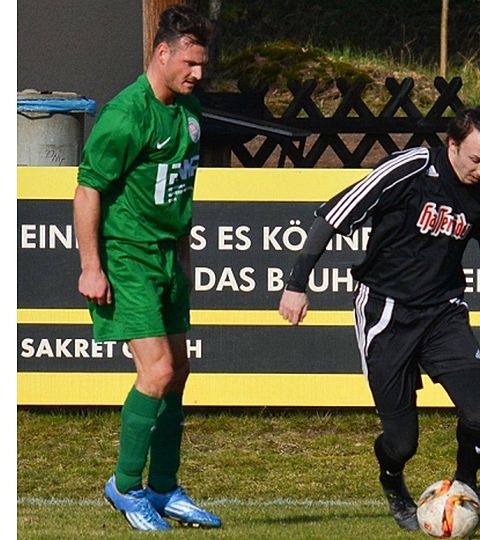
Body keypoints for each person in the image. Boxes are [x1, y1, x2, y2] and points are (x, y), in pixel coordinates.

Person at [279, 106, 480, 531]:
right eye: (475, 159)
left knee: (479, 415)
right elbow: (331, 215)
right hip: (385, 309)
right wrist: (296, 283)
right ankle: (392, 481)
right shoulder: (410, 168)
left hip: (443, 313)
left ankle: (466, 487)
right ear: (452, 145)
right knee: (402, 442)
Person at [73, 4, 220, 532]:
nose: (198, 74)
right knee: (155, 372)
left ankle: (164, 489)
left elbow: (178, 196)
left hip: (166, 258)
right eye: (191, 64)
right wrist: (92, 266)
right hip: (126, 255)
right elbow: (88, 187)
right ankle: (125, 485)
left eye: (203, 65)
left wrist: (182, 262)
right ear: (163, 54)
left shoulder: (189, 114)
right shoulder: (126, 114)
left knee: (177, 373)